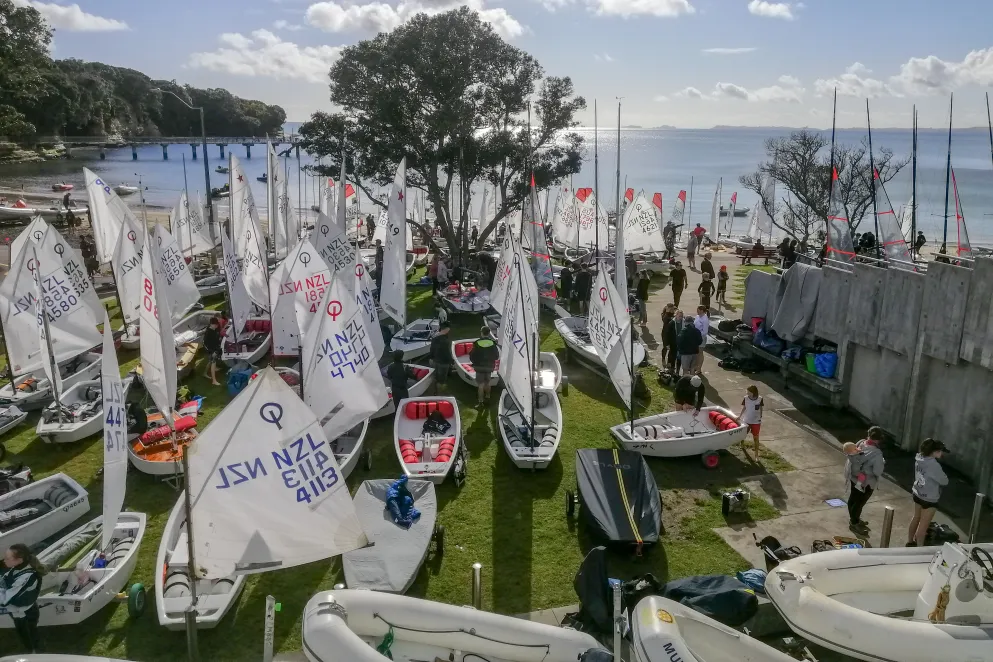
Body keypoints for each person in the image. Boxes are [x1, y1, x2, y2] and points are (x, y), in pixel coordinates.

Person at [0, 543, 45, 653]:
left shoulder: (27, 576)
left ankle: (34, 654)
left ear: (19, 560)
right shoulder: (17, 567)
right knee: (29, 633)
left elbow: (5, 599)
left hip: (24, 612)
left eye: (7, 558)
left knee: (28, 634)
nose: (3, 560)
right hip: (21, 608)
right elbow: (5, 578)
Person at [907, 438, 950, 547]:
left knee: (916, 517)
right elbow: (944, 481)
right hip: (929, 498)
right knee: (923, 525)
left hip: (917, 493)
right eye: (940, 451)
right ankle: (920, 548)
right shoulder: (934, 465)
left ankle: (910, 541)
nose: (941, 453)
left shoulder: (919, 457)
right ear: (934, 452)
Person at [844, 426, 886, 535]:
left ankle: (855, 519)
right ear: (879, 439)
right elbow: (877, 471)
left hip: (855, 477)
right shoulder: (877, 453)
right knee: (860, 502)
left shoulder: (860, 443)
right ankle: (854, 523)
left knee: (853, 498)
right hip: (866, 482)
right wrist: (882, 463)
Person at [470, 326, 499, 405]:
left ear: (481, 332)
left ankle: (480, 401)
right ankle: (488, 396)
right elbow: (496, 356)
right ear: (489, 333)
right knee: (487, 383)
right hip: (489, 367)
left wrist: (474, 362)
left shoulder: (477, 343)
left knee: (480, 385)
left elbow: (472, 356)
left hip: (479, 367)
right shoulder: (492, 343)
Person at [736, 385, 763, 457]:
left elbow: (760, 408)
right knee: (743, 434)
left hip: (756, 421)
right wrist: (740, 416)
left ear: (753, 392)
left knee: (756, 438)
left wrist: (760, 416)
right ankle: (742, 444)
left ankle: (756, 455)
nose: (747, 393)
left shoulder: (760, 399)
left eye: (749, 392)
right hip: (747, 420)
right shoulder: (745, 398)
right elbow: (744, 407)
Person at [429, 321, 453, 388]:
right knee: (442, 379)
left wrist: (431, 358)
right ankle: (441, 392)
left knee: (436, 377)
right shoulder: (445, 340)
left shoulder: (435, 337)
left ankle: (435, 390)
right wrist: (451, 361)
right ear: (447, 329)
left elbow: (432, 349)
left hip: (435, 360)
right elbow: (447, 352)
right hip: (443, 362)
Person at [203, 316, 223, 386]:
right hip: (211, 350)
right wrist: (212, 352)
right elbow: (205, 344)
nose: (216, 326)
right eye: (215, 325)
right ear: (211, 324)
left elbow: (216, 339)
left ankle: (205, 373)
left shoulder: (214, 330)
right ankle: (214, 381)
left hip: (215, 348)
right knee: (213, 362)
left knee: (210, 361)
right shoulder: (208, 332)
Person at [664, 308, 683, 374]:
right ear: (676, 315)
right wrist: (667, 344)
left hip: (680, 344)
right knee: (673, 356)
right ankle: (672, 368)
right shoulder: (671, 323)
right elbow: (667, 334)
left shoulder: (683, 323)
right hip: (673, 343)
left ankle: (677, 370)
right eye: (679, 316)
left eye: (681, 316)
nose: (680, 317)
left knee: (679, 357)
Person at [692, 306, 709, 374]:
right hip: (695, 337)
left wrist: (697, 334)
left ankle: (699, 368)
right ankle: (696, 366)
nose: (697, 311)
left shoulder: (705, 319)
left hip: (701, 338)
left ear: (702, 311)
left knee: (700, 353)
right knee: (696, 353)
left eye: (698, 310)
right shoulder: (697, 316)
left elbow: (705, 332)